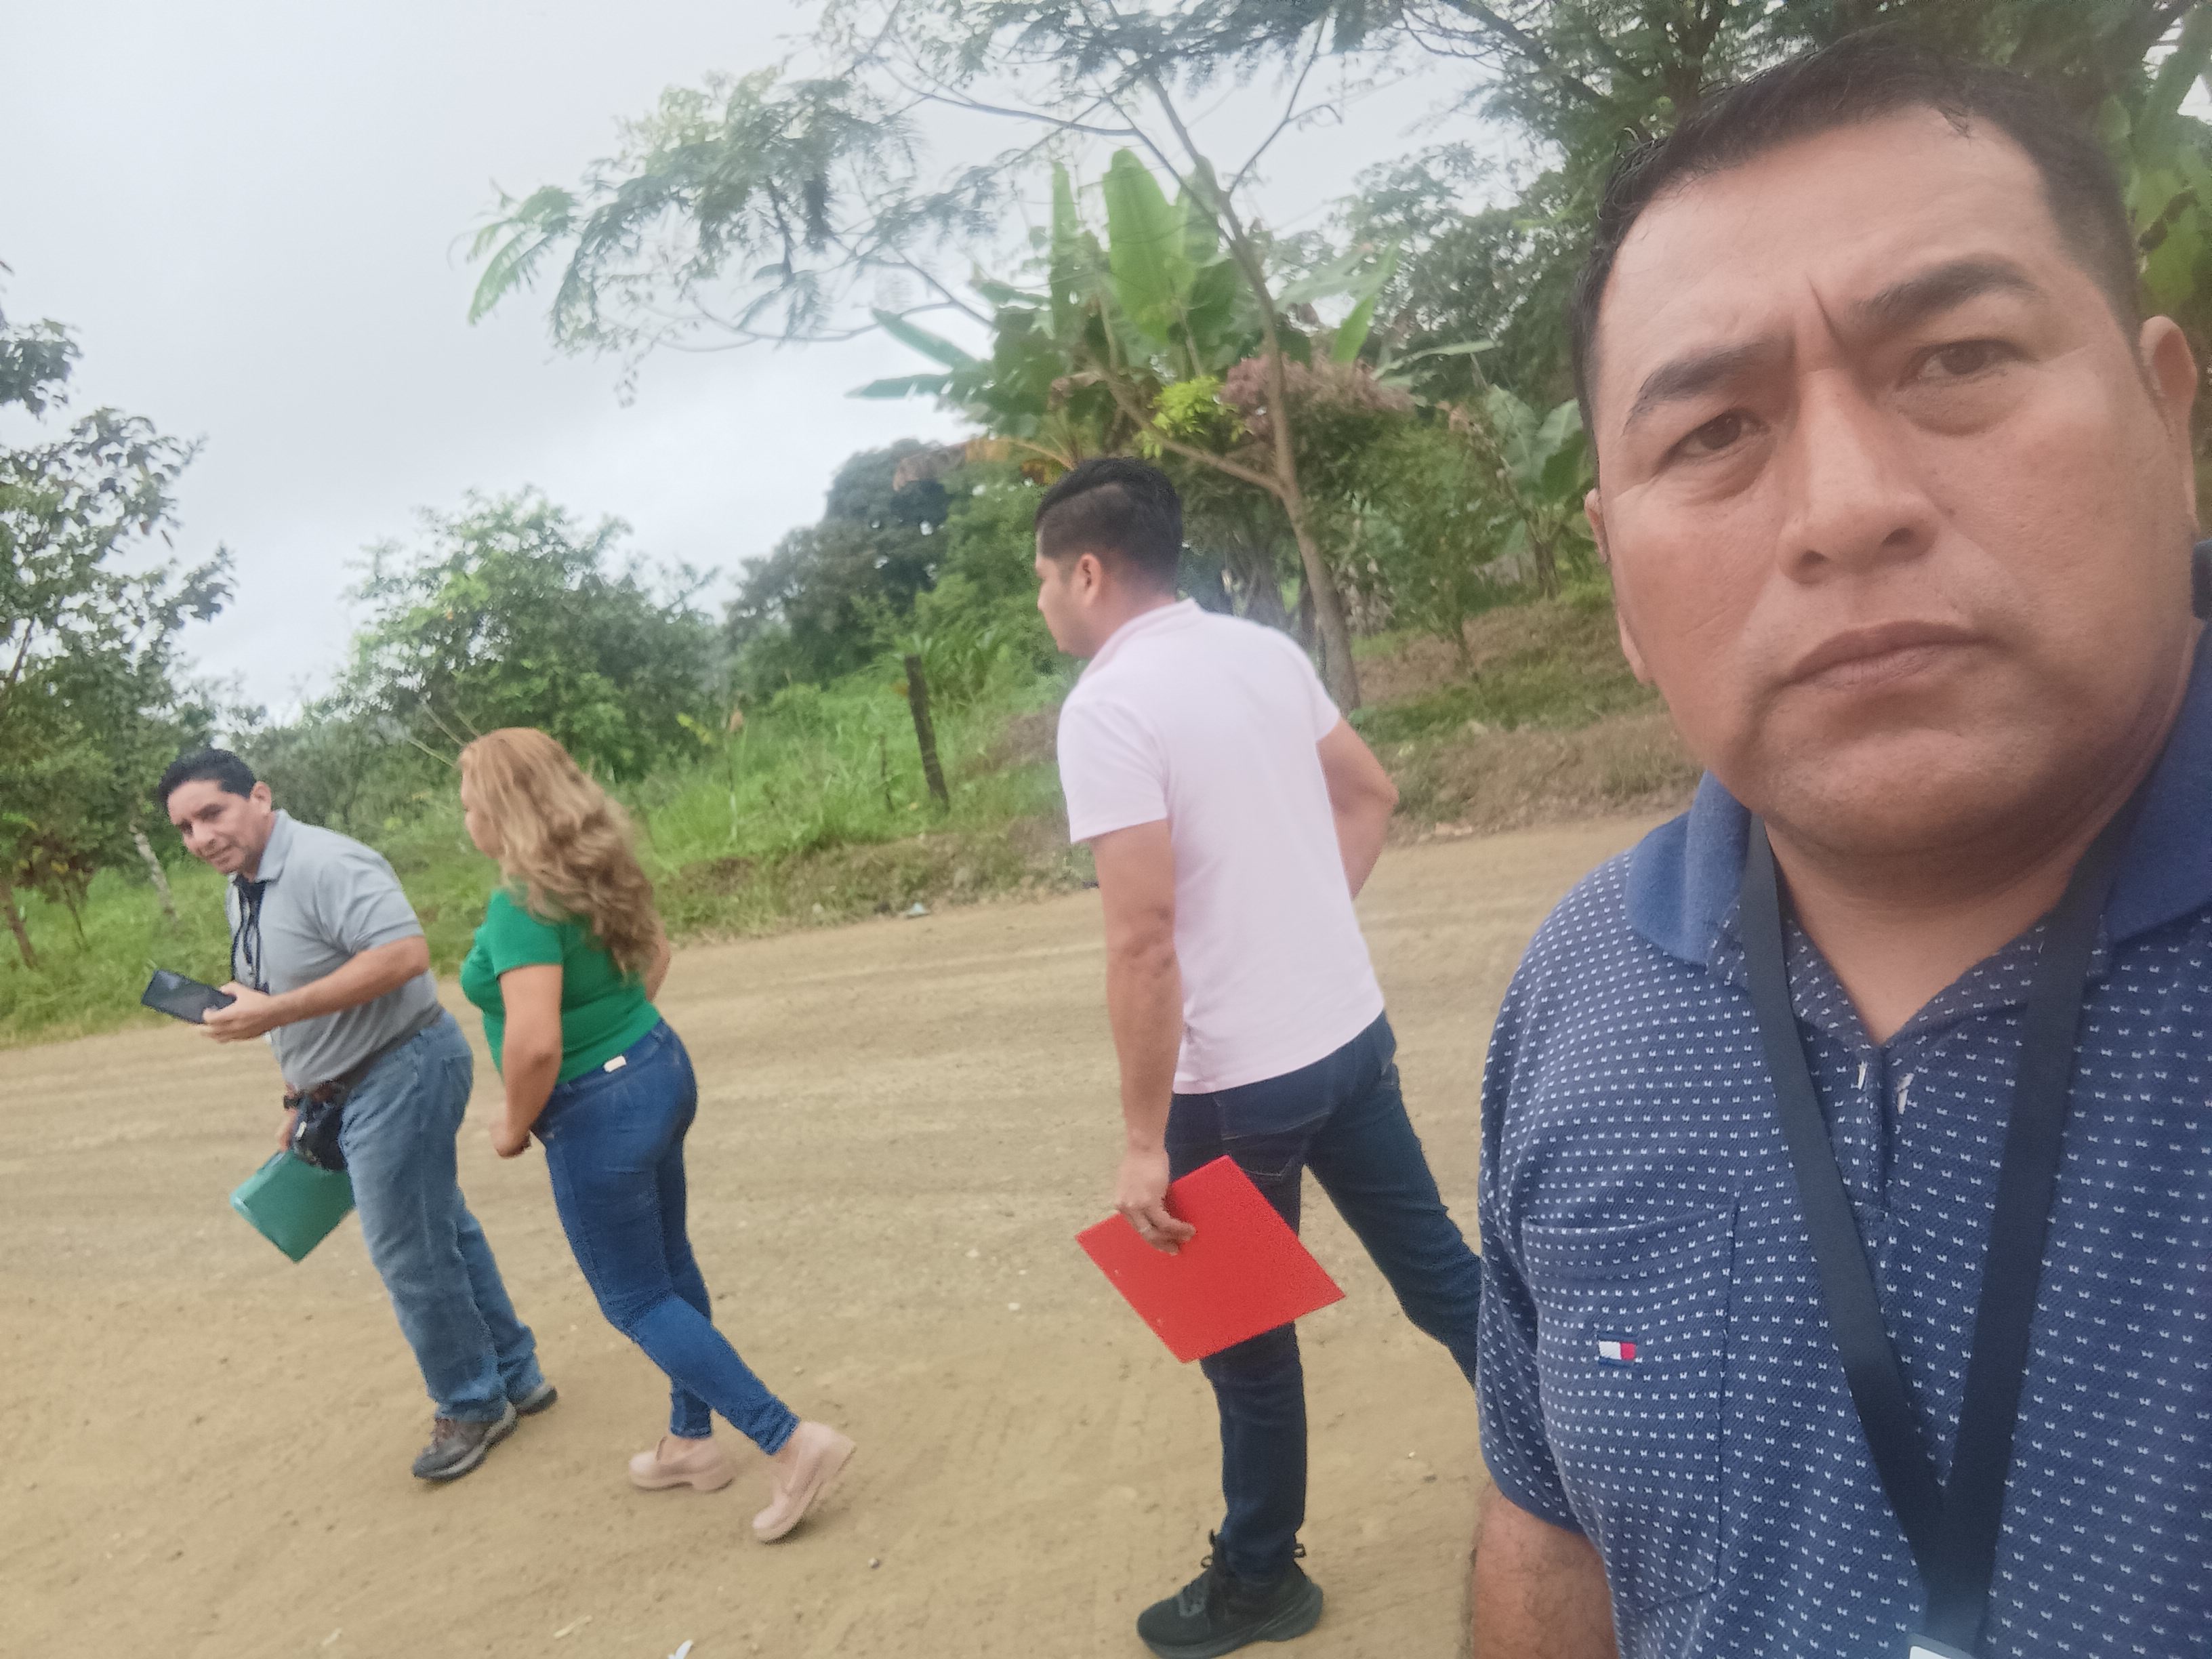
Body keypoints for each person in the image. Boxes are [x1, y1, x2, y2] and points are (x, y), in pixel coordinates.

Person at [1471, 38, 2212, 1659]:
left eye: (1955, 358)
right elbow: (1551, 1531)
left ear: (2168, 415)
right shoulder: (1584, 991)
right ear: (1616, 573)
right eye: (1712, 432)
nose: (1845, 506)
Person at [1036, 457, 1487, 1659]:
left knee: (1245, 1345)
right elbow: (1371, 795)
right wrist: (1304, 931)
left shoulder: (1105, 708)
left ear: (1089, 572)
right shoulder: (1260, 652)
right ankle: (1592, 1468)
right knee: (1441, 1275)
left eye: (1043, 577)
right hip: (1347, 1033)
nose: (1043, 600)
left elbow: (1141, 941)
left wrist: (1143, 1142)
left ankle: (1258, 1579)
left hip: (1230, 1087)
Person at [454, 726, 855, 1542]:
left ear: (504, 810)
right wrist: (622, 1033)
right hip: (659, 1068)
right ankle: (690, 1442)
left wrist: (513, 1124)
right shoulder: (598, 867)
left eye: (470, 804)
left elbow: (534, 1043)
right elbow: (657, 953)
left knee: (636, 1298)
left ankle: (789, 1441)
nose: (466, 820)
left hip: (595, 1111)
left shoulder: (521, 904)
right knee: (668, 1268)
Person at [159, 749, 554, 1480]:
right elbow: (279, 992)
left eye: (212, 813)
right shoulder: (244, 888)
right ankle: (513, 1375)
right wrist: (298, 1095)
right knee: (440, 1228)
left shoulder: (326, 863)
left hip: (403, 1066)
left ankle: (472, 1403)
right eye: (185, 828)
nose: (201, 837)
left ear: (259, 796)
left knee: (408, 1249)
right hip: (345, 1085)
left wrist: (276, 1012)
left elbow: (404, 955)